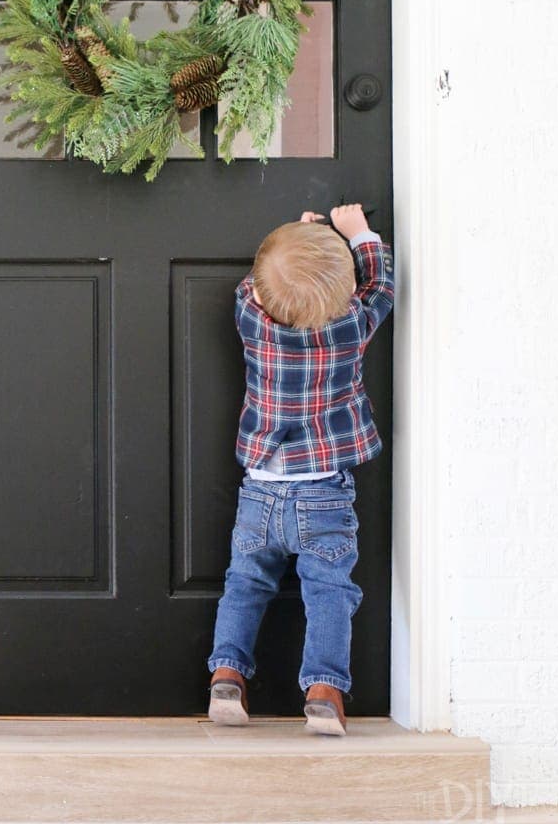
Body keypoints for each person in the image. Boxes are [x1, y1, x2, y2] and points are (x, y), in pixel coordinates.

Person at [206, 203, 394, 734]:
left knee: (244, 584)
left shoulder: (252, 320)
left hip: (260, 490)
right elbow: (380, 288)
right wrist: (359, 237)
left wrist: (305, 235)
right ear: (341, 298)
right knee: (329, 592)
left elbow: (256, 286)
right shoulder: (350, 327)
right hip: (324, 494)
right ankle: (324, 692)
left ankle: (227, 676)